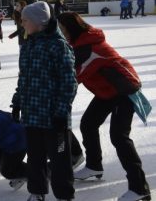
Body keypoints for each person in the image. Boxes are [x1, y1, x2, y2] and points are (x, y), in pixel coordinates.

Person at [58, 12, 151, 201]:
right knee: (88, 123)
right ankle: (94, 165)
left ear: (71, 28)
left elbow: (72, 79)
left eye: (62, 28)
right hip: (107, 92)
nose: (61, 32)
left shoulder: (88, 49)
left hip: (124, 90)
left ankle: (140, 189)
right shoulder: (79, 45)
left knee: (119, 136)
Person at [11, 1, 77, 201]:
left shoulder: (59, 46)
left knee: (60, 161)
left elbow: (69, 83)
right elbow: (24, 78)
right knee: (35, 158)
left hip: (54, 118)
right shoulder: (28, 45)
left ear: (38, 22)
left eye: (25, 20)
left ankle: (65, 196)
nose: (22, 24)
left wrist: (60, 112)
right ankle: (37, 192)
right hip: (32, 115)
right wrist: (18, 101)